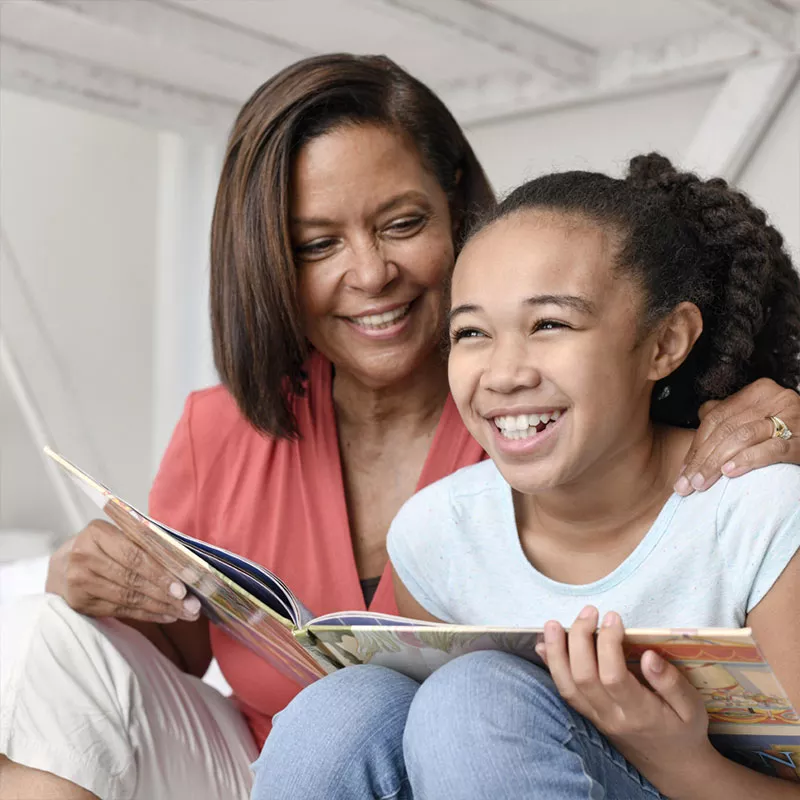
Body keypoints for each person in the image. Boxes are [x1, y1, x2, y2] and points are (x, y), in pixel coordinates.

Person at [0, 51, 796, 799]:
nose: (370, 273)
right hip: (280, 760)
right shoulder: (410, 508)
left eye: (402, 224)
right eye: (317, 244)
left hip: (569, 757)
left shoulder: (581, 424)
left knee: (470, 697)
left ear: (455, 210)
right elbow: (191, 658)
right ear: (271, 262)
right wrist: (103, 585)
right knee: (74, 635)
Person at [251, 154, 800, 800]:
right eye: (472, 333)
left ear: (664, 343)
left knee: (474, 698)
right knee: (342, 710)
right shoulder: (437, 535)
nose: (504, 372)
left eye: (549, 324)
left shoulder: (761, 516)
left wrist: (678, 761)